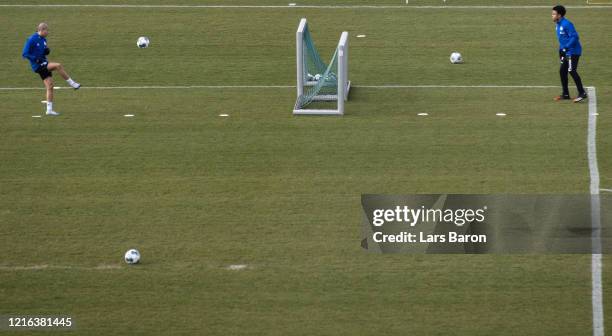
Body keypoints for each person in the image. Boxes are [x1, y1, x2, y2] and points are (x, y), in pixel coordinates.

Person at [22, 23, 81, 116]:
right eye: (47, 30)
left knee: (50, 86)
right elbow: (25, 53)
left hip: (43, 63)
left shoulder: (44, 39)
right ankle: (73, 84)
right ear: (41, 30)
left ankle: (49, 110)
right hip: (38, 65)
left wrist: (46, 50)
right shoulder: (31, 39)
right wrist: (35, 59)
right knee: (58, 66)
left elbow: (43, 50)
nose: (48, 32)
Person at [552, 5, 587, 103]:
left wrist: (566, 47)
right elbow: (562, 39)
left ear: (559, 15)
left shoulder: (567, 24)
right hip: (564, 51)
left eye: (554, 14)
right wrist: (561, 49)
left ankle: (582, 93)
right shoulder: (558, 24)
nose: (552, 16)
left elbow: (575, 37)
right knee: (562, 71)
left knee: (571, 70)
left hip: (573, 51)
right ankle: (565, 94)